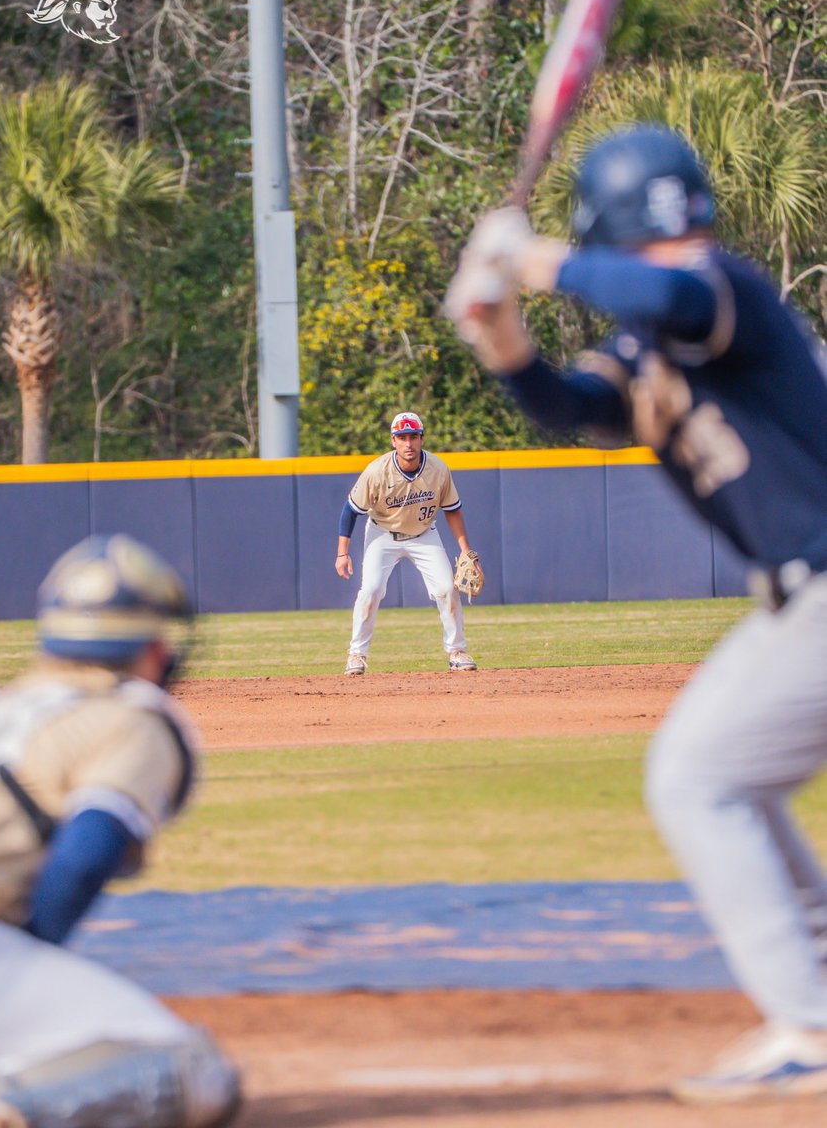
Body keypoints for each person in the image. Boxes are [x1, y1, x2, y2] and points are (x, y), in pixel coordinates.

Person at [446, 123, 827, 1104]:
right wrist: (501, 336)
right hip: (799, 603)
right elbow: (572, 407)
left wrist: (530, 260)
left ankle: (811, 1025)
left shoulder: (720, 288)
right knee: (720, 776)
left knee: (697, 779)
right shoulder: (648, 338)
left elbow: (671, 294)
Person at [0, 534, 240, 1128]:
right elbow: (85, 854)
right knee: (194, 1070)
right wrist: (36, 955)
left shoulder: (3, 704)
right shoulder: (133, 716)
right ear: (152, 649)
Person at [335, 411, 480, 675]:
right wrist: (342, 554)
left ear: (422, 438)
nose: (408, 443)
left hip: (424, 534)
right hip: (382, 534)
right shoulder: (377, 471)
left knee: (447, 589)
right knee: (371, 590)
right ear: (393, 441)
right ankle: (356, 655)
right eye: (402, 437)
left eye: (413, 436)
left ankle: (457, 651)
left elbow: (452, 510)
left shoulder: (438, 469)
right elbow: (350, 510)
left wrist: (465, 550)